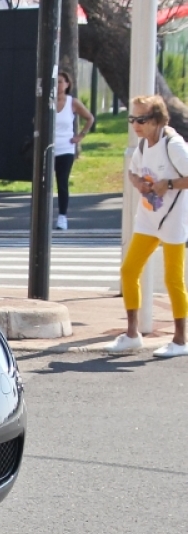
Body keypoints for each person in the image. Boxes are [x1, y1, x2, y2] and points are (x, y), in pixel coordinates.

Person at [107, 95, 188, 357]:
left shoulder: (174, 146)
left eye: (141, 119)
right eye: (132, 118)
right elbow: (133, 171)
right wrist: (137, 182)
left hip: (173, 218)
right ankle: (132, 334)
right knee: (129, 270)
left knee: (173, 278)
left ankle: (180, 339)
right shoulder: (142, 146)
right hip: (148, 218)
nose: (135, 124)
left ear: (157, 120)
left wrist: (171, 184)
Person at [52, 71, 94, 230]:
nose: (59, 85)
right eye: (56, 82)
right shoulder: (47, 101)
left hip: (66, 148)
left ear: (68, 84)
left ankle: (62, 217)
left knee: (62, 182)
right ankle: (41, 216)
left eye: (62, 82)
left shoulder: (72, 102)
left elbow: (90, 118)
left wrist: (80, 136)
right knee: (43, 184)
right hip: (49, 148)